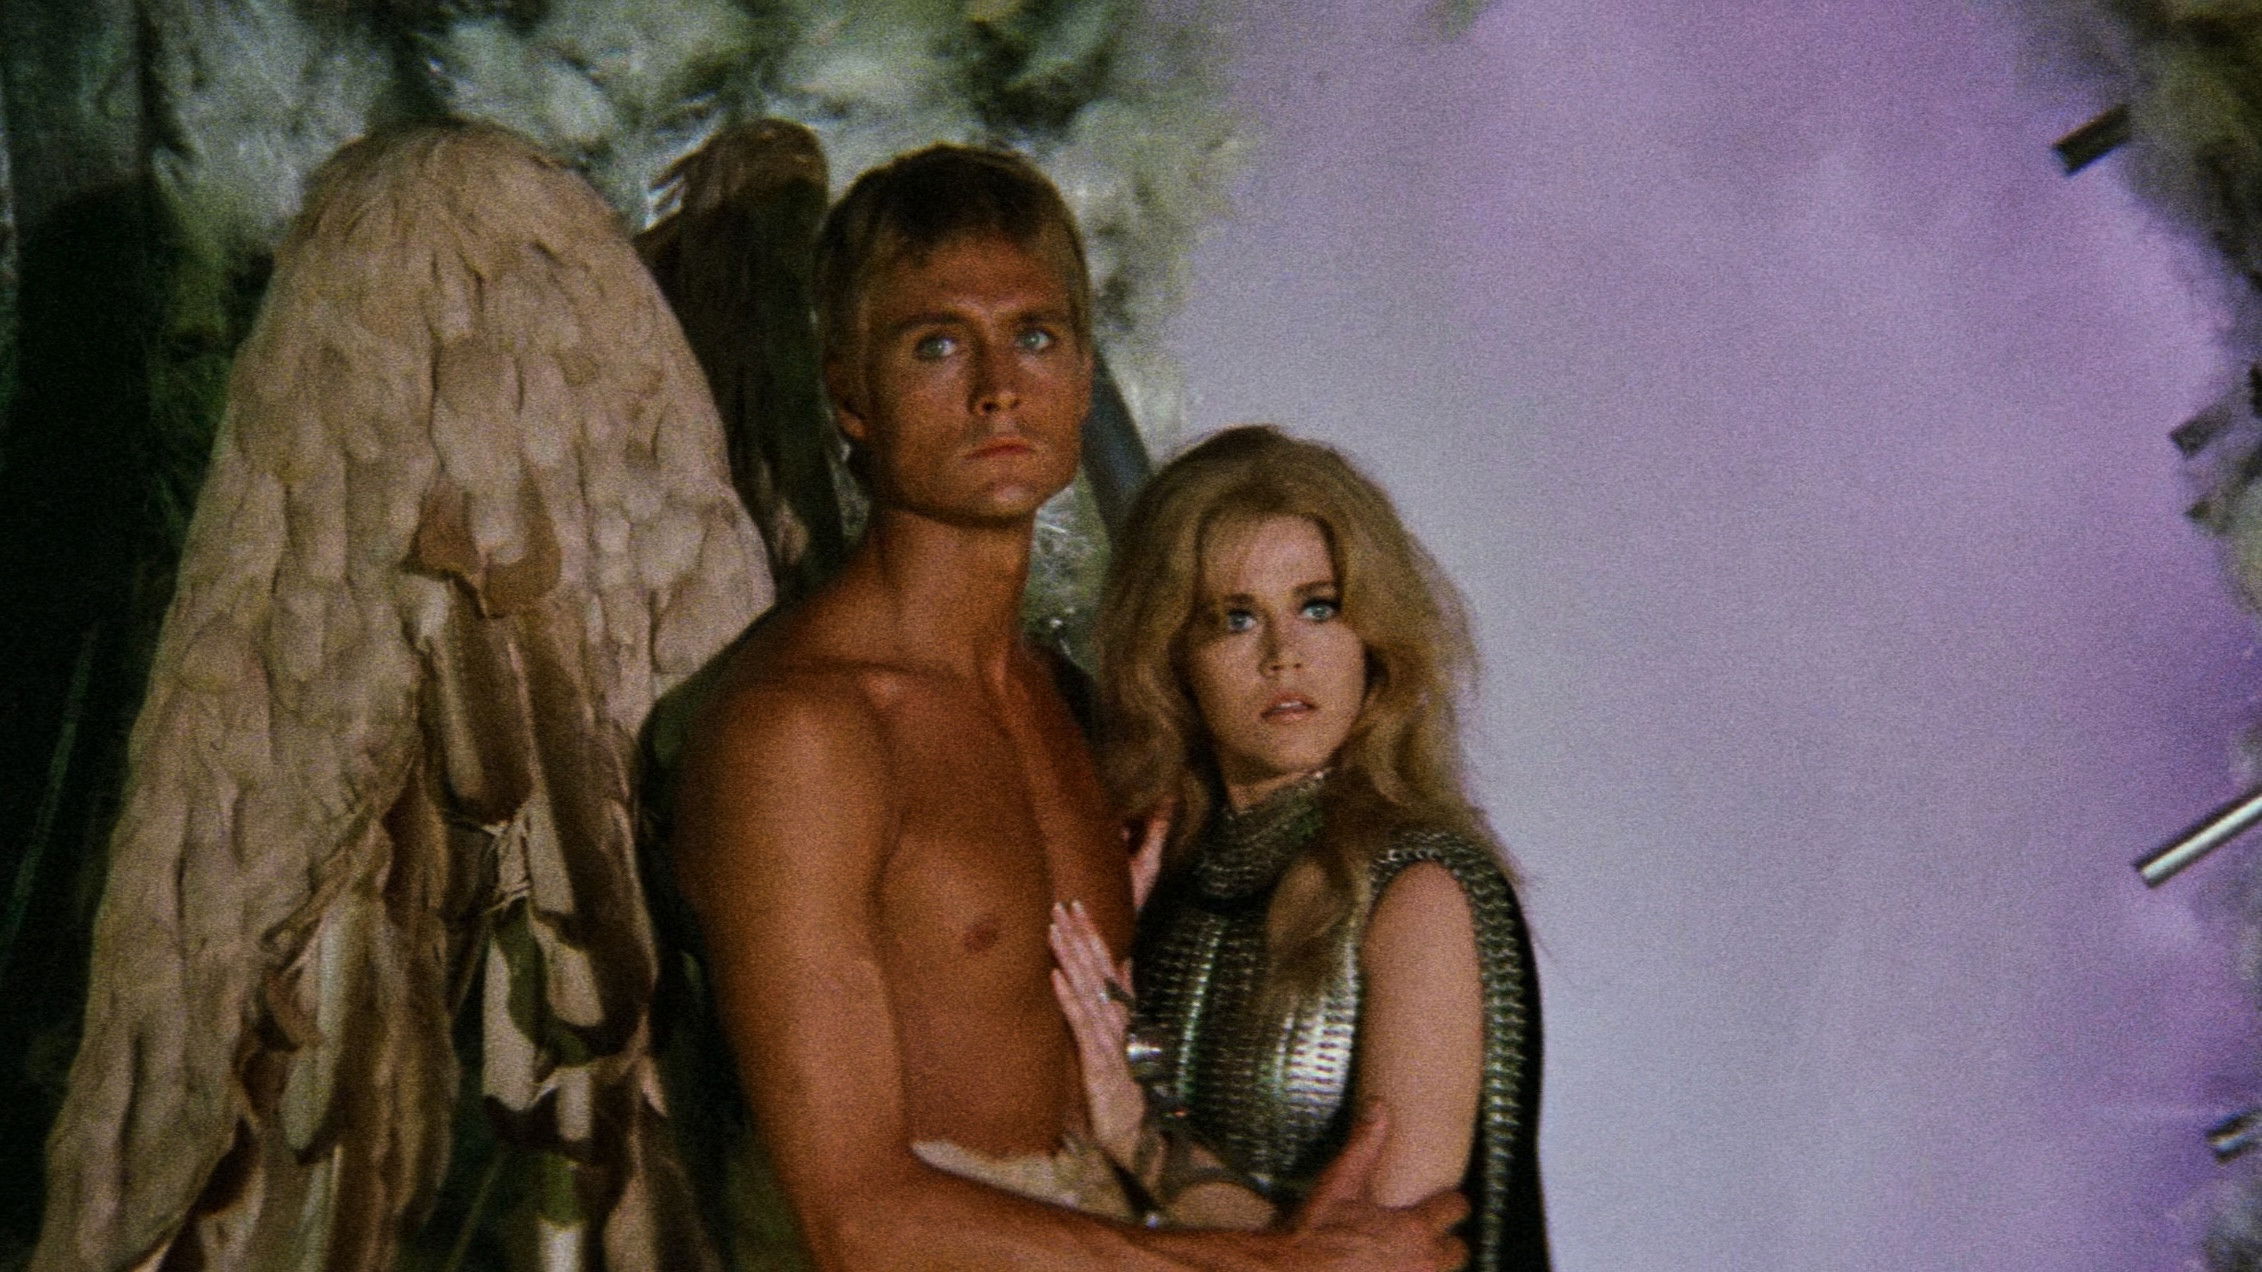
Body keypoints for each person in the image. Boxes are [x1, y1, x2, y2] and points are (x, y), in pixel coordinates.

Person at [670, 145, 1468, 1270]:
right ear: (849, 393)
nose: (998, 387)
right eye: (937, 343)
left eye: (1036, 337)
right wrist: (1275, 1268)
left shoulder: (1083, 714)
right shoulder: (803, 732)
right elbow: (852, 1219)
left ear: (1086, 379)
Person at [1048, 426, 1551, 1269]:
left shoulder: (1418, 889)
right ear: (1172, 657)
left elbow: (1370, 1263)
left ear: (1373, 638)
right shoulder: (1157, 872)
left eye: (1319, 607)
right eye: (1234, 618)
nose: (1284, 656)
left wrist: (1145, 1141)